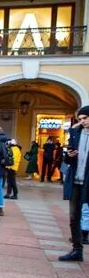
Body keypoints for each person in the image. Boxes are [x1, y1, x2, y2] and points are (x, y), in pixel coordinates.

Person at [59, 106, 89, 262]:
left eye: (85, 118)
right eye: (80, 119)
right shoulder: (76, 134)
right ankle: (77, 249)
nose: (82, 121)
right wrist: (70, 156)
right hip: (77, 179)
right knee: (74, 216)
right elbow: (68, 160)